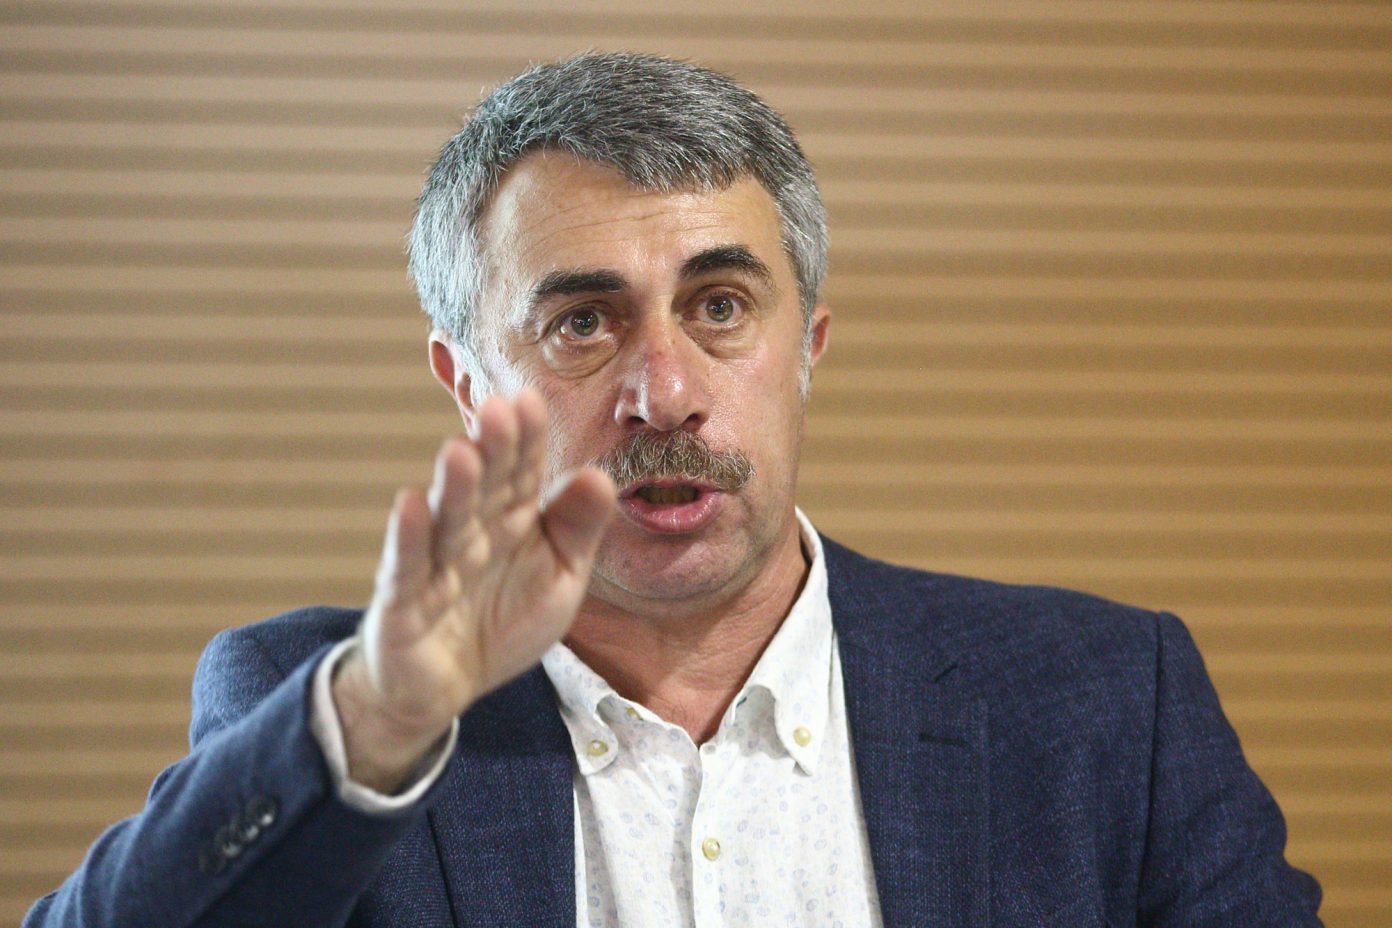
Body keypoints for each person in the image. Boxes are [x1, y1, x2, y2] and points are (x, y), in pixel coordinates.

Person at [26, 52, 1322, 928]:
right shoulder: (328, 711)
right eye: (583, 323)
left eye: (720, 307)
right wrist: (381, 719)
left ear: (808, 349)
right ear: (469, 386)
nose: (665, 392)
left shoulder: (1106, 702)